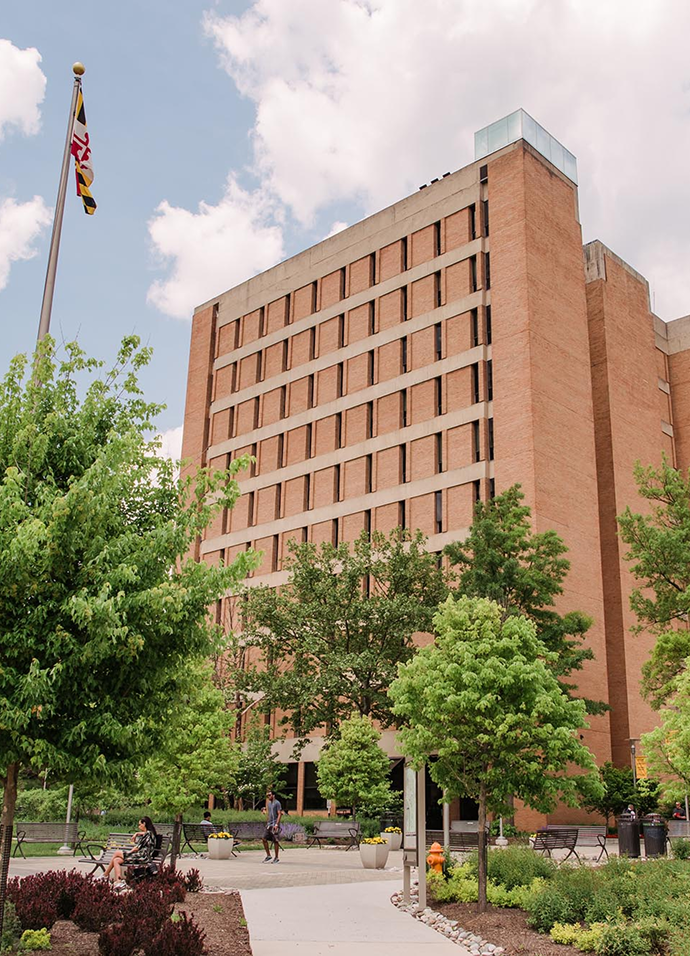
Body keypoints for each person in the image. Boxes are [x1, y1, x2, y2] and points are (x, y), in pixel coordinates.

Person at [103, 817, 157, 888]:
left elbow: (136, 848)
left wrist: (129, 852)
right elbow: (144, 835)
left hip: (142, 857)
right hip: (140, 856)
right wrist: (137, 833)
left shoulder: (148, 834)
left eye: (139, 824)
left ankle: (105, 875)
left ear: (144, 824)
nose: (138, 826)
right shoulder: (149, 833)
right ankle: (118, 881)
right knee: (116, 860)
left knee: (117, 853)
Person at [262, 790, 282, 864]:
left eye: (269, 795)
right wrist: (267, 822)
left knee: (275, 840)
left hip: (275, 825)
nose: (268, 797)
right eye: (268, 796)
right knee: (264, 838)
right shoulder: (269, 804)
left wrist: (277, 824)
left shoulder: (277, 803)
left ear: (273, 795)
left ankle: (276, 857)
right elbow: (269, 814)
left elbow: (279, 814)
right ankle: (268, 855)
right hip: (269, 824)